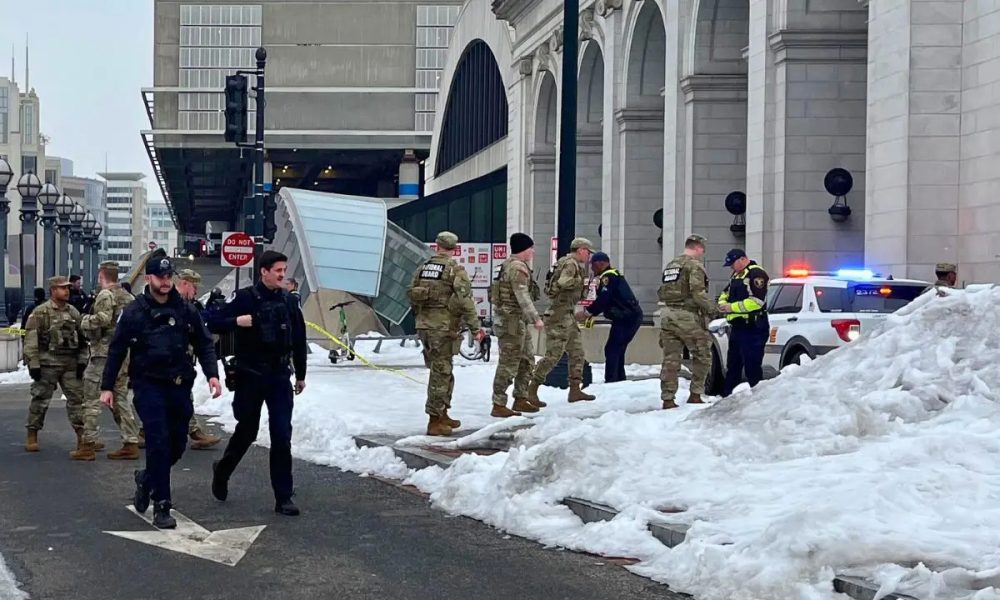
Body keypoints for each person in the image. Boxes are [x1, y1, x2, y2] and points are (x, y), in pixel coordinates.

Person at [101, 251, 222, 529]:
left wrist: (212, 375)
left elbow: (203, 343)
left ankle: (146, 480)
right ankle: (162, 505)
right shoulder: (135, 311)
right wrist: (107, 387)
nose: (166, 282)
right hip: (148, 384)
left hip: (179, 385)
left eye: (169, 277)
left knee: (177, 444)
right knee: (158, 441)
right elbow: (117, 348)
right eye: (161, 277)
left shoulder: (185, 309)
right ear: (149, 278)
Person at [208, 251, 308, 517]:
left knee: (281, 434)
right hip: (250, 375)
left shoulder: (289, 302)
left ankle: (283, 496)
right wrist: (236, 321)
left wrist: (300, 374)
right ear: (263, 271)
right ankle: (223, 470)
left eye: (284, 269)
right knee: (247, 431)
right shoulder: (244, 298)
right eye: (277, 270)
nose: (282, 274)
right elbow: (212, 320)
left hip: (278, 376)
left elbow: (299, 339)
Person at [408, 231, 485, 436]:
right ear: (455, 248)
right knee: (440, 373)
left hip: (424, 326)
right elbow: (465, 301)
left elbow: (412, 295)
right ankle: (434, 420)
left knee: (442, 370)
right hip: (442, 328)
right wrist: (475, 328)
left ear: (437, 245)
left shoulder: (423, 268)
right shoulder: (454, 270)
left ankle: (442, 414)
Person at [76, 261, 142, 461]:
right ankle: (131, 440)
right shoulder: (129, 297)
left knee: (91, 399)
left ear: (100, 275)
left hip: (103, 353)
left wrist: (83, 321)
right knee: (120, 397)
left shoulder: (106, 295)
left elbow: (103, 319)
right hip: (122, 355)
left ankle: (88, 444)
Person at [22, 276, 89, 453]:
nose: (66, 291)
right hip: (47, 364)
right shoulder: (40, 312)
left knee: (77, 401)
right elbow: (31, 340)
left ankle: (83, 437)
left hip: (70, 364)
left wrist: (82, 361)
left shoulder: (73, 312)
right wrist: (34, 364)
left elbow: (83, 340)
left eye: (67, 288)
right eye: (62, 288)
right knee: (40, 400)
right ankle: (32, 433)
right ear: (53, 290)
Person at [528, 238, 596, 406]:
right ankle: (531, 388)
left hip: (568, 315)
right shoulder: (571, 264)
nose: (588, 256)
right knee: (553, 356)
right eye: (587, 252)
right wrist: (581, 282)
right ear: (580, 250)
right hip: (559, 316)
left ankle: (575, 389)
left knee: (577, 353)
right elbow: (563, 282)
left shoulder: (566, 263)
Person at [658, 235, 716, 409]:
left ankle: (668, 398)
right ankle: (696, 394)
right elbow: (698, 293)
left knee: (670, 359)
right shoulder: (694, 266)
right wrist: (713, 310)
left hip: (667, 314)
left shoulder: (671, 265)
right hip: (687, 316)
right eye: (702, 250)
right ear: (698, 248)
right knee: (703, 354)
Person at [490, 233, 543, 417]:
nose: (533, 251)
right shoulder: (518, 268)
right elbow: (523, 296)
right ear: (523, 249)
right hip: (510, 322)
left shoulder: (506, 265)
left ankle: (520, 397)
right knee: (509, 362)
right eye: (530, 248)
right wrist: (536, 318)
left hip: (516, 322)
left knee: (527, 359)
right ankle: (498, 403)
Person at [174, 269, 223, 450]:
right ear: (185, 283)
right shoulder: (174, 305)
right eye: (194, 287)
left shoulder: (189, 307)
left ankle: (194, 431)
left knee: (181, 397)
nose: (195, 292)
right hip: (166, 363)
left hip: (181, 362)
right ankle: (194, 432)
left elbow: (203, 341)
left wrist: (212, 373)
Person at [579, 252, 643, 384]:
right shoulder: (613, 275)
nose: (592, 269)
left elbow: (604, 299)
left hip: (626, 318)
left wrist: (589, 312)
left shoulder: (608, 277)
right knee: (618, 348)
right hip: (628, 316)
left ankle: (612, 380)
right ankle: (619, 379)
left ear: (601, 263)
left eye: (593, 265)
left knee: (612, 349)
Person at [718, 248, 770, 397]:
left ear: (742, 259)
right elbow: (725, 293)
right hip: (738, 327)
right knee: (733, 365)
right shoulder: (736, 275)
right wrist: (723, 304)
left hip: (753, 327)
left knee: (751, 366)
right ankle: (727, 397)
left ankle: (757, 398)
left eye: (732, 263)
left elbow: (757, 302)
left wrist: (731, 307)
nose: (731, 267)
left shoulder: (756, 274)